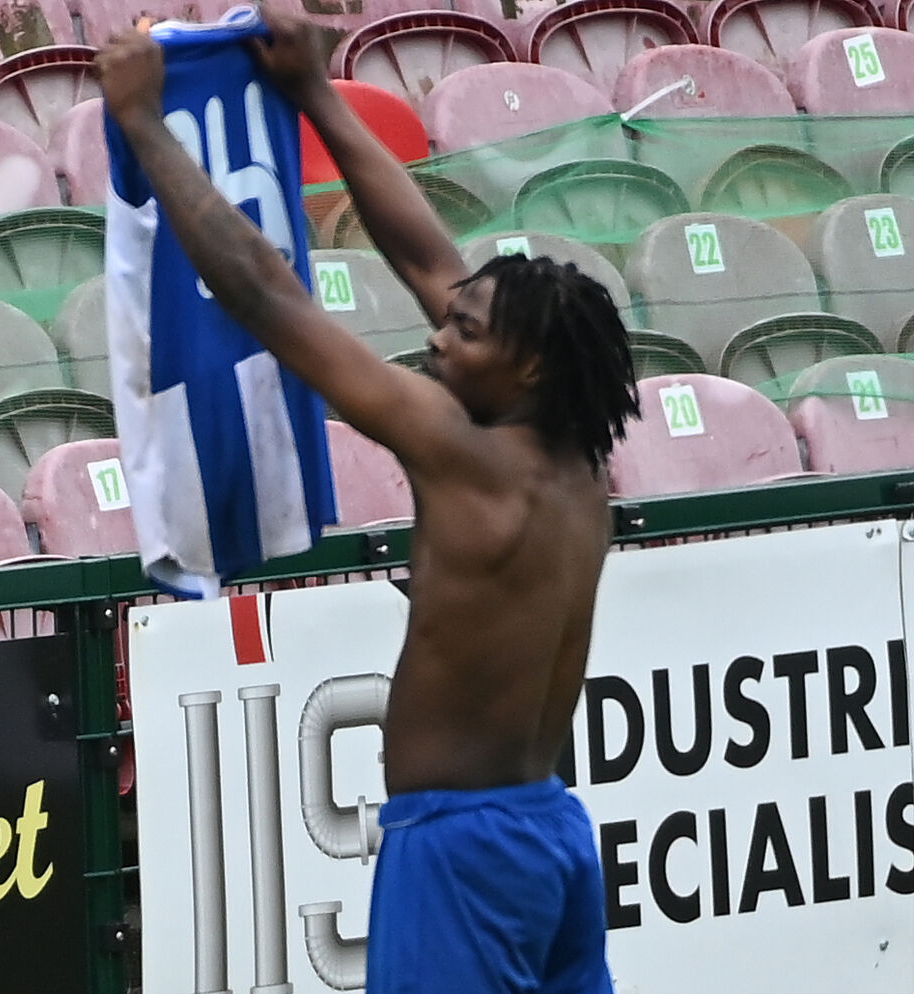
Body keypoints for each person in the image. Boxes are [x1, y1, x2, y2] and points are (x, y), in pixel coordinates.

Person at [96, 11, 641, 993]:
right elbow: (435, 262)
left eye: (463, 334)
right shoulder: (574, 461)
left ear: (522, 365)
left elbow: (266, 293)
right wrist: (314, 96)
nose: (439, 335)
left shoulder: (467, 455)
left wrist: (146, 128)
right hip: (549, 830)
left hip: (459, 851)